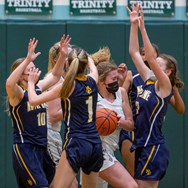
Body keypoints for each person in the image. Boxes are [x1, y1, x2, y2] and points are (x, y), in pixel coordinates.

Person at [27, 47, 103, 188]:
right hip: (95, 144)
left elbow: (33, 100)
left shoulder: (67, 86)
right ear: (85, 64)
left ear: (68, 64)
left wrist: (31, 83)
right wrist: (89, 59)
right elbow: (93, 68)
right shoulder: (93, 80)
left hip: (76, 143)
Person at [127, 3, 184, 188]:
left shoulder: (165, 86)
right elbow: (134, 52)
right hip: (141, 145)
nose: (154, 65)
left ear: (168, 72)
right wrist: (133, 24)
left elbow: (150, 58)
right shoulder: (150, 80)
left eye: (159, 65)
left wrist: (143, 27)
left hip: (154, 146)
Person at [6, 35, 71, 188]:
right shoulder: (18, 94)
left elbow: (55, 75)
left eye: (33, 66)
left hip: (42, 147)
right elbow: (9, 83)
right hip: (26, 148)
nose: (34, 69)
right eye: (30, 68)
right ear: (22, 74)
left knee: (57, 184)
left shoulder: (37, 88)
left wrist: (62, 55)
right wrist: (27, 59)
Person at [95, 61, 138, 188]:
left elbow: (131, 124)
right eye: (114, 78)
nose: (116, 81)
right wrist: (98, 124)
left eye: (117, 78)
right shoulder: (93, 96)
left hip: (110, 149)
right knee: (131, 186)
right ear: (102, 80)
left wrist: (119, 122)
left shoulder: (121, 92)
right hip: (97, 148)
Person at [46, 42, 78, 188]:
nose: (72, 58)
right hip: (49, 135)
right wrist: (75, 108)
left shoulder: (61, 79)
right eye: (67, 55)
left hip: (55, 134)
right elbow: (53, 115)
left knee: (71, 183)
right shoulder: (55, 81)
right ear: (56, 59)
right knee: (60, 183)